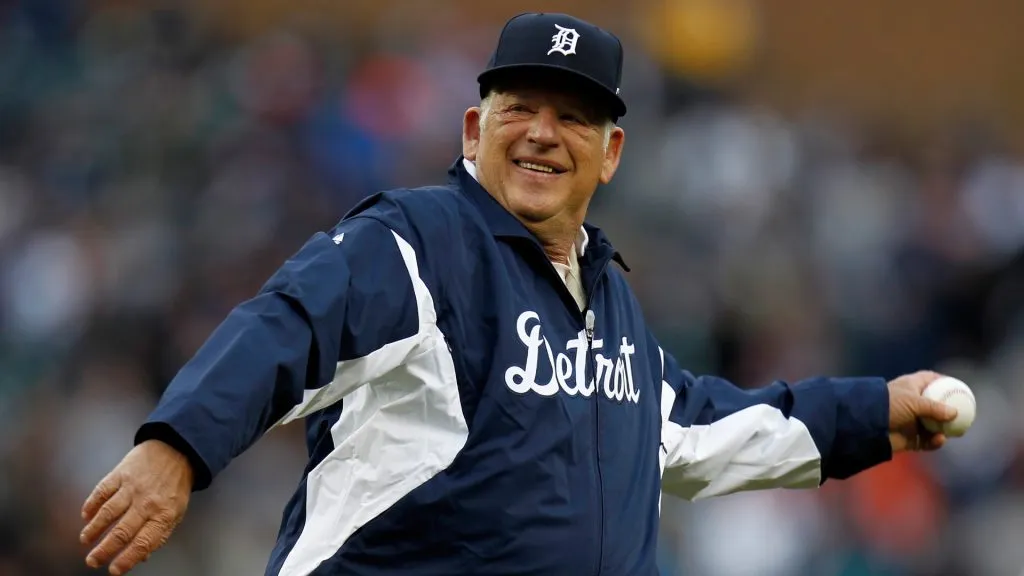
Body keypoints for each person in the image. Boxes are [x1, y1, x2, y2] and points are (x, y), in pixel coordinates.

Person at [79, 12, 959, 576]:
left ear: (610, 153)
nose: (543, 133)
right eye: (519, 109)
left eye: (573, 116)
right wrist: (179, 447)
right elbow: (289, 324)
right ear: (475, 128)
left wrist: (875, 413)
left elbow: (694, 428)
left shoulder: (609, 300)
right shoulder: (415, 242)